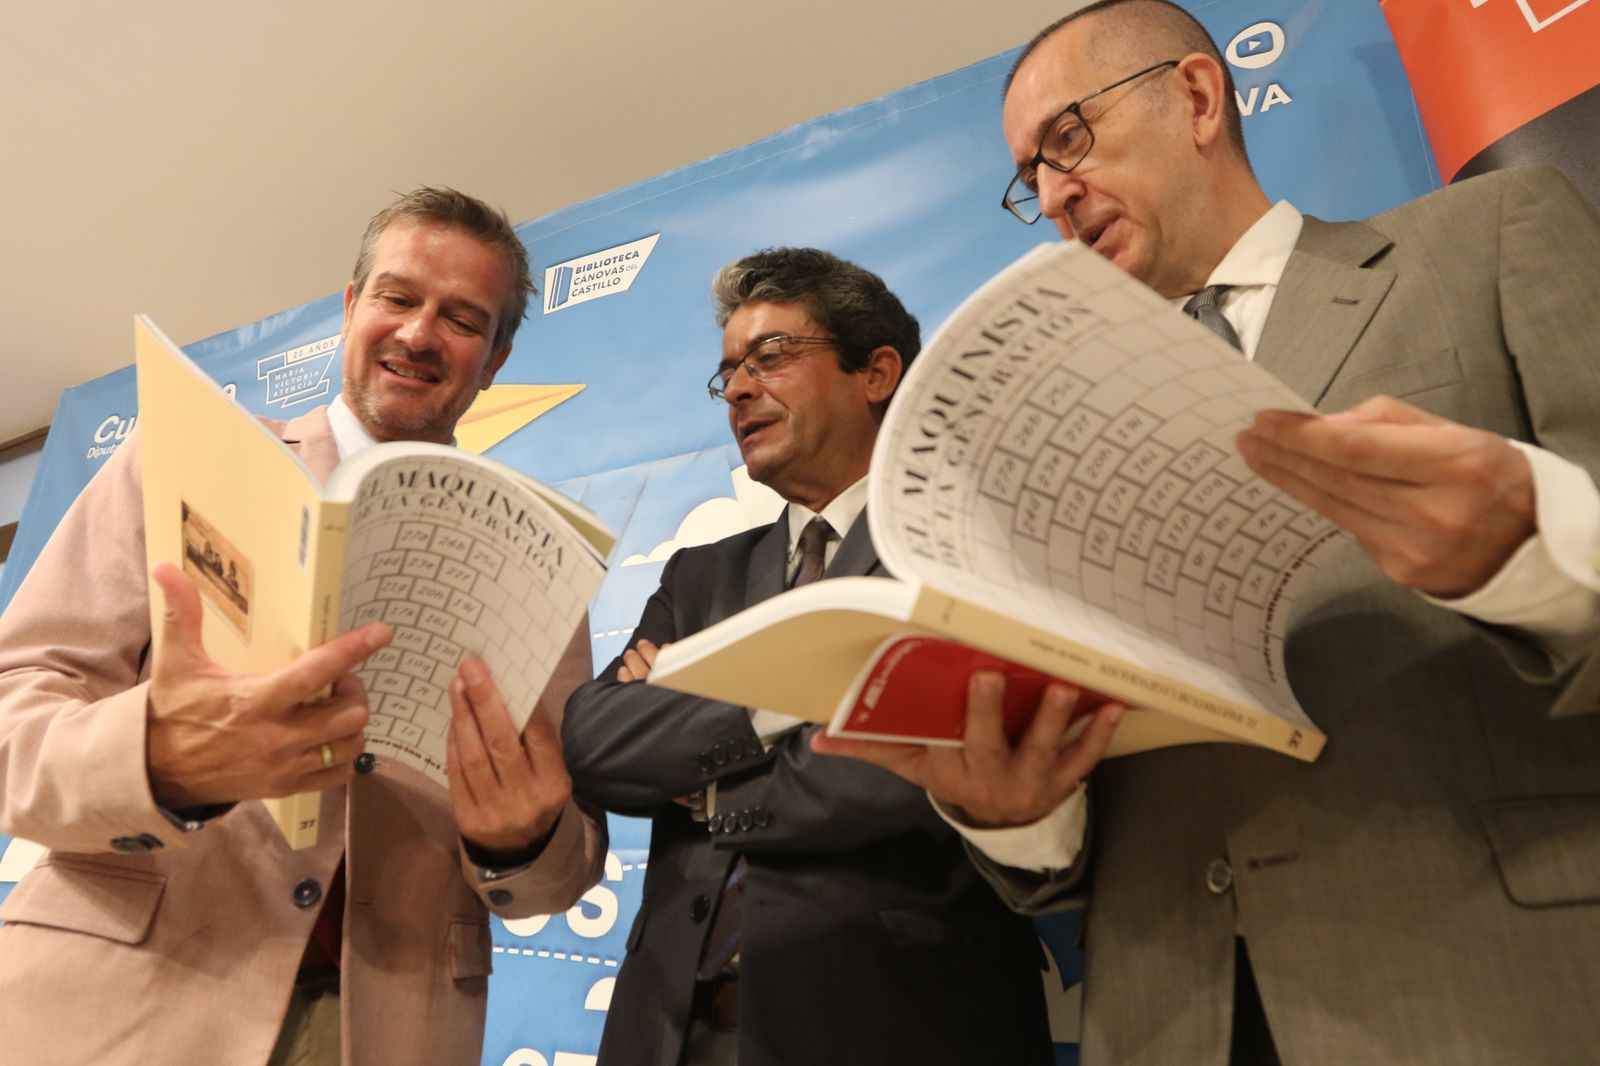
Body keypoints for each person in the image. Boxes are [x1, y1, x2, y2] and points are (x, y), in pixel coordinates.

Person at [814, 2, 1600, 1063]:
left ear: (1194, 97)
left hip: (1483, 981)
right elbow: (1077, 831)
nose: (1051, 194)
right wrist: (1013, 815)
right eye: (1028, 178)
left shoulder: (1488, 234)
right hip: (1169, 1013)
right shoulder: (1049, 440)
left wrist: (1525, 557)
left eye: (1069, 139)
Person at [0, 187, 607, 1066]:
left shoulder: (538, 564)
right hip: (119, 1002)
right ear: (351, 305)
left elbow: (566, 864)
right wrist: (157, 759)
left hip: (387, 1025)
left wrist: (519, 841)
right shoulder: (177, 461)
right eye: (398, 298)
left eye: (462, 318)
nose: (419, 333)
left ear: (497, 356)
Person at [561, 247, 1056, 1066]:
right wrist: (783, 703)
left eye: (772, 358)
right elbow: (596, 741)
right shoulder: (700, 574)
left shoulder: (969, 543)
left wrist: (699, 769)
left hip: (892, 1028)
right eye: (728, 373)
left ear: (878, 372)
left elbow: (899, 769)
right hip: (668, 1034)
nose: (741, 390)